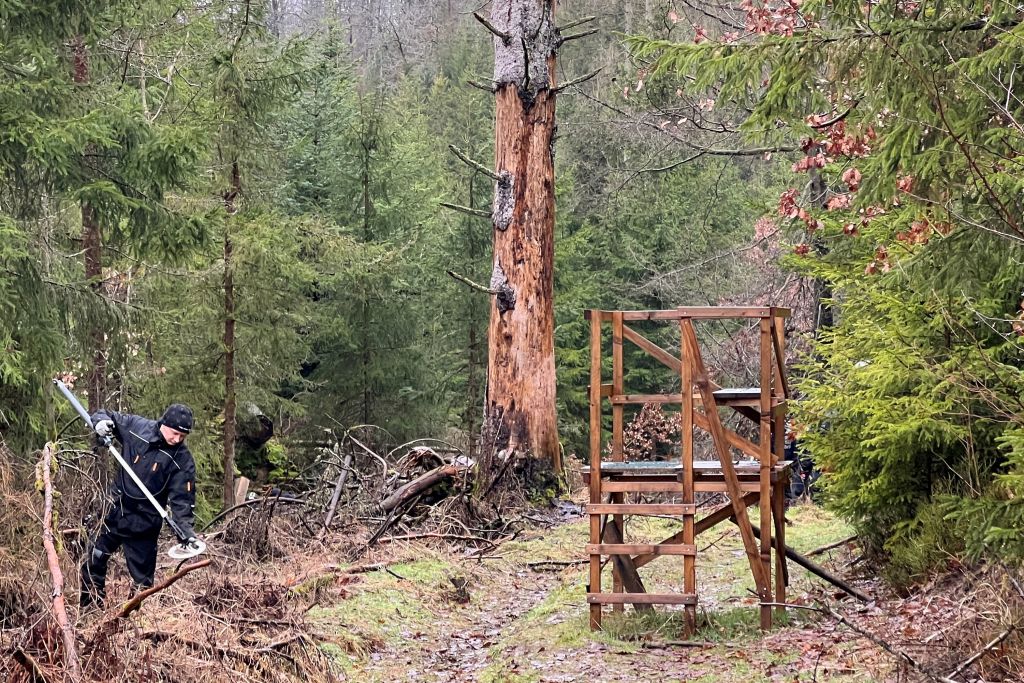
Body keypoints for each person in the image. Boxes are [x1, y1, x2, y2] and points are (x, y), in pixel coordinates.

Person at [80, 403, 198, 608]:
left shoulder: (182, 460)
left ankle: (134, 622)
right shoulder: (137, 427)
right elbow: (107, 415)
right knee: (94, 558)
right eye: (174, 433)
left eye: (182, 436)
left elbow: (183, 500)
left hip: (145, 523)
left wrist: (185, 530)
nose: (177, 439)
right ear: (164, 424)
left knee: (142, 582)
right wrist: (102, 423)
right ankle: (91, 610)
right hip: (113, 510)